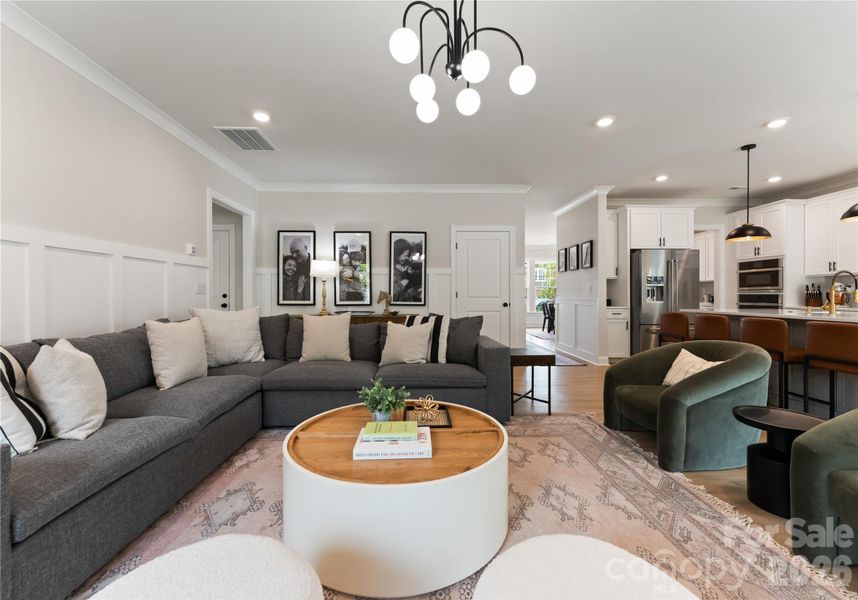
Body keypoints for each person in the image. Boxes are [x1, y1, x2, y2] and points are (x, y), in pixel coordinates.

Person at [392, 238, 422, 303]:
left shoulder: (403, 266)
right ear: (397, 254)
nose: (406, 258)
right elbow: (392, 290)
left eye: (408, 256)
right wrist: (405, 281)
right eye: (405, 255)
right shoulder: (394, 270)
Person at [339, 238, 367, 302]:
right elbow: (347, 279)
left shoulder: (363, 264)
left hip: (358, 292)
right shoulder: (346, 262)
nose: (353, 261)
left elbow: (365, 278)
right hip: (347, 292)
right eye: (351, 253)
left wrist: (353, 273)